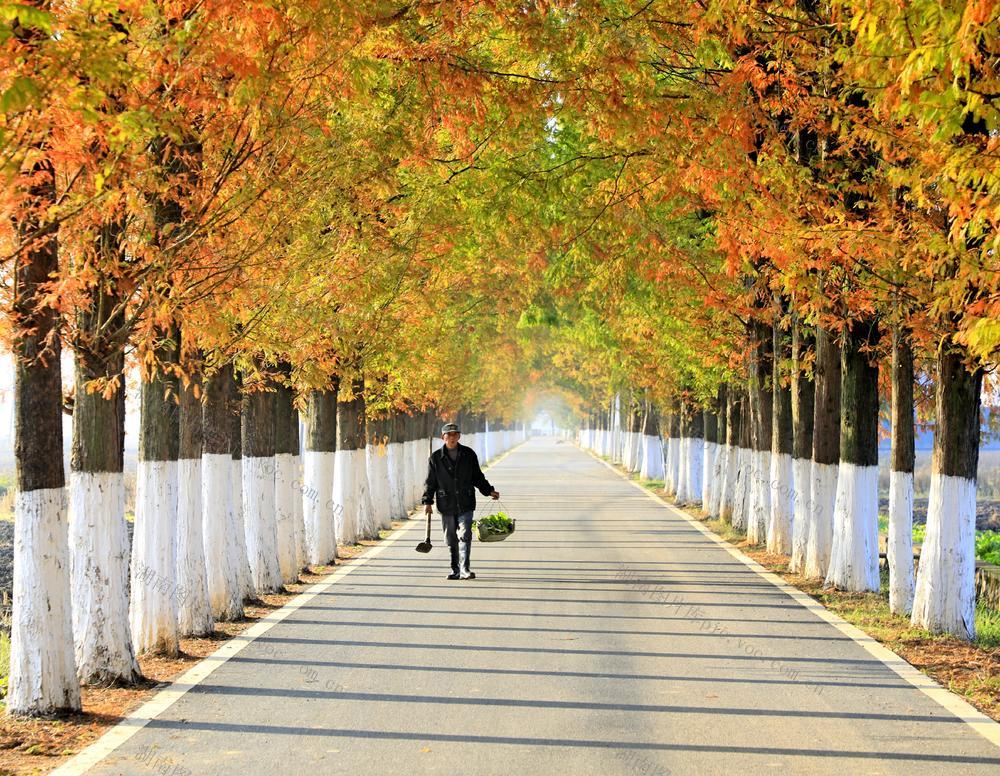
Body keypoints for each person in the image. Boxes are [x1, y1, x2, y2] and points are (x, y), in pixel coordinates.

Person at [422, 422, 500, 579]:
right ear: (442, 437)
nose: (452, 438)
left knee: (465, 534)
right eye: (448, 435)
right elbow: (430, 482)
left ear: (459, 436)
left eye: (454, 434)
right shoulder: (436, 458)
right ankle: (455, 569)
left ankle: (465, 569)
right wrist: (427, 502)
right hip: (446, 504)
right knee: (451, 537)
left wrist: (488, 490)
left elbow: (477, 476)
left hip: (466, 501)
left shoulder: (468, 454)